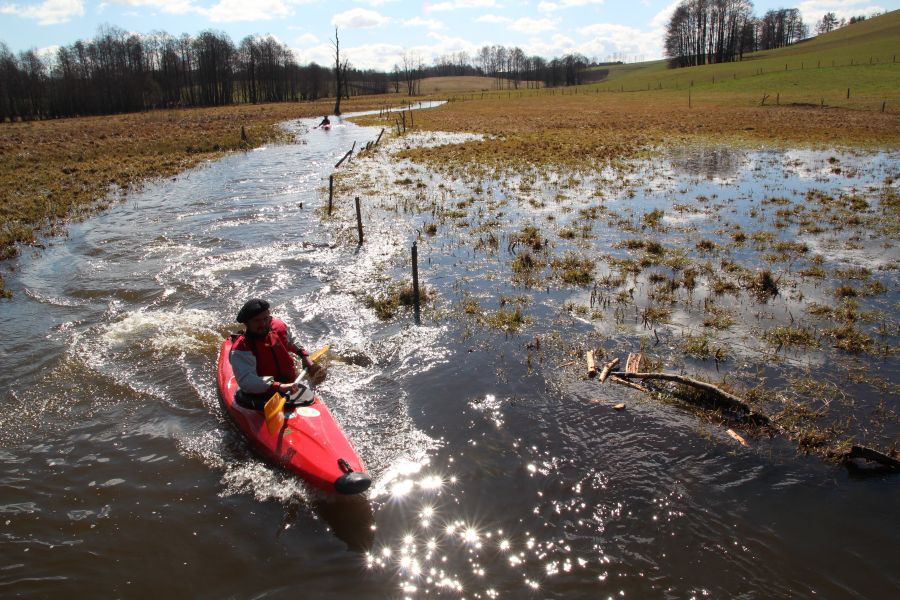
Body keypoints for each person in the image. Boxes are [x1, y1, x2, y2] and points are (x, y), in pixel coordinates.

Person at [229, 298, 321, 409]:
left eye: (265, 318)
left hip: (289, 386)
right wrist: (279, 386)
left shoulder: (278, 327)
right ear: (246, 323)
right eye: (257, 321)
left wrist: (304, 356)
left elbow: (292, 341)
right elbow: (247, 381)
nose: (263, 324)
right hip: (260, 394)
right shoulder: (241, 349)